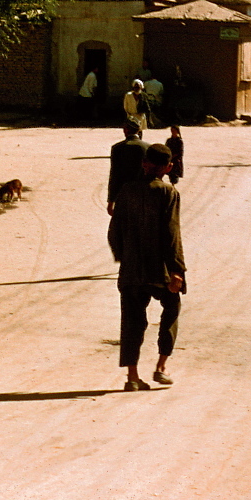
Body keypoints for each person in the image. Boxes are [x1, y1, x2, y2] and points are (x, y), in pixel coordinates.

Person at [108, 143, 185, 391]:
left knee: (131, 321)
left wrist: (125, 257)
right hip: (159, 270)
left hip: (131, 270)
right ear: (168, 167)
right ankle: (161, 367)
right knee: (172, 307)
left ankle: (132, 377)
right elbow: (172, 234)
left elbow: (113, 233)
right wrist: (176, 270)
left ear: (144, 164)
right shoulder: (168, 193)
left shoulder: (126, 191)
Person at [107, 120, 150, 214]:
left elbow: (114, 175)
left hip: (124, 195)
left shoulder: (117, 148)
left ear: (125, 130)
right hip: (144, 193)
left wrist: (111, 201)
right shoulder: (148, 147)